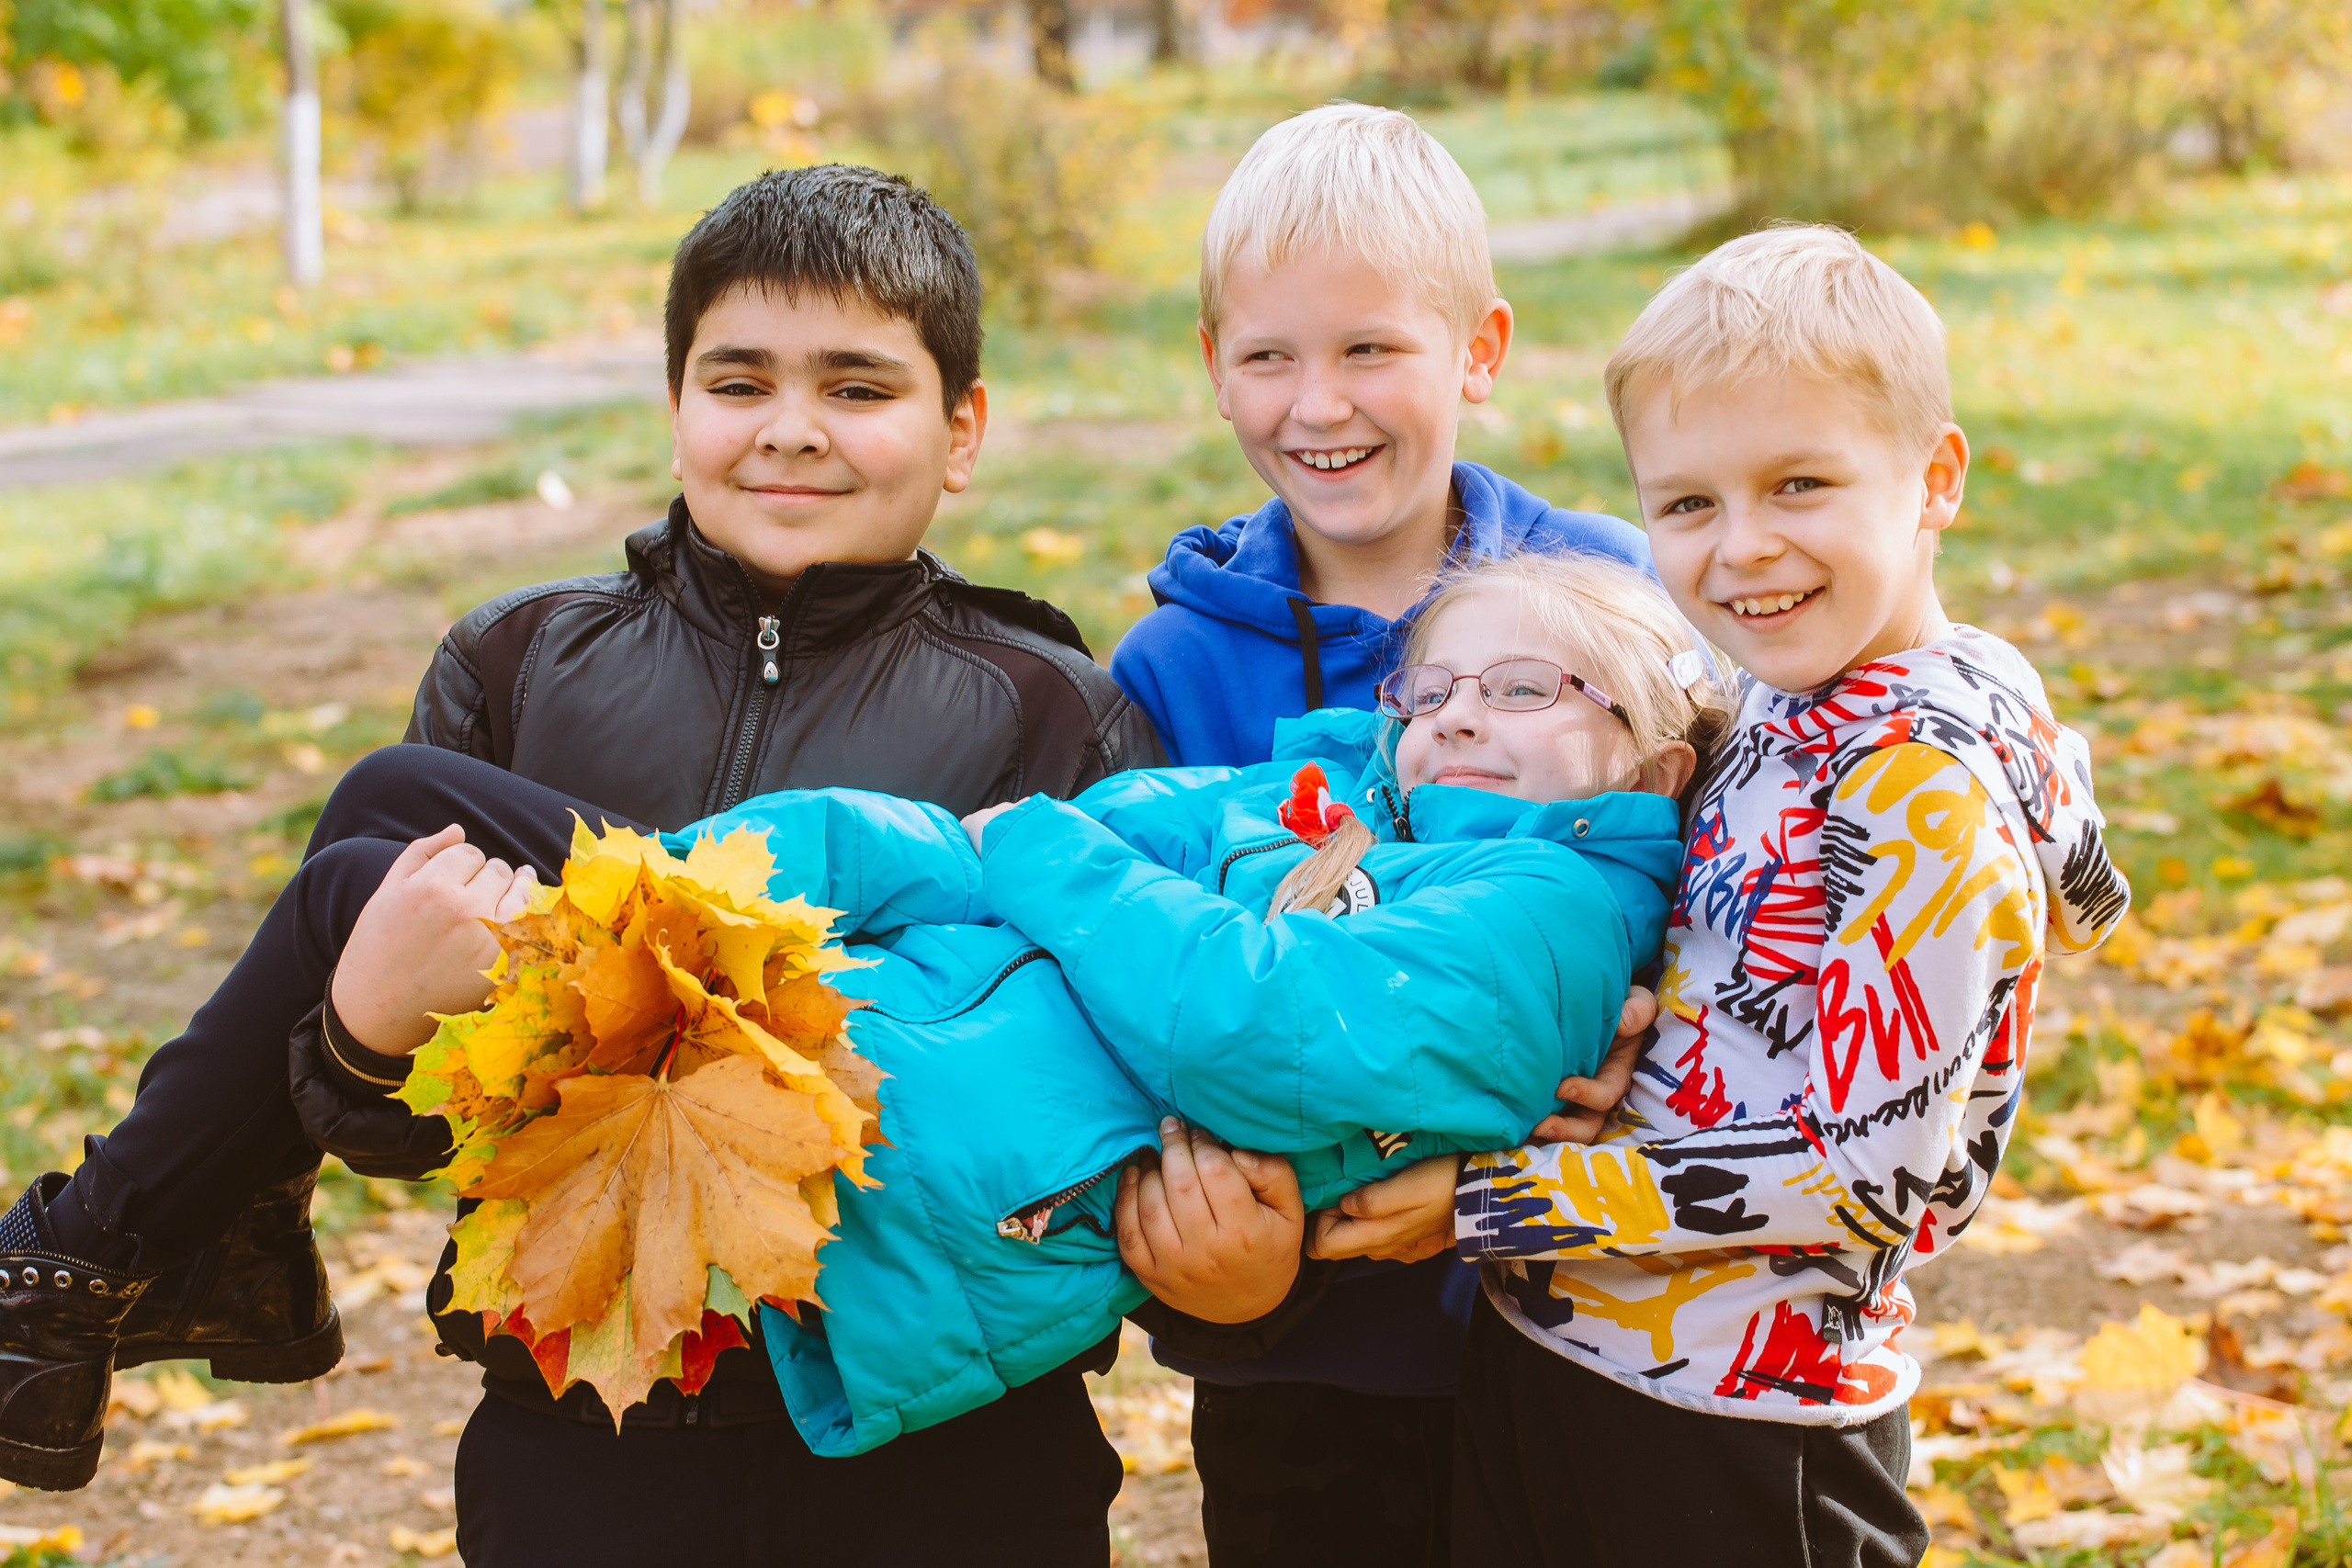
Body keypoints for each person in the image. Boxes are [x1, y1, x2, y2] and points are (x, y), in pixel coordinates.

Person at [0, 164, 1170, 1565]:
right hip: (583, 1411)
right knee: (376, 855)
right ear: (674, 406)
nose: (792, 431)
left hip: (928, 1415)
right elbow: (406, 1131)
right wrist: (370, 1044)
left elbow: (1079, 1101)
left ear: (961, 428)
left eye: (858, 388)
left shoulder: (1055, 711)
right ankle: (129, 1246)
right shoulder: (519, 660)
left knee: (383, 811)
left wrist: (711, 1027)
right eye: (739, 383)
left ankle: (105, 1254)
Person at [299, 551, 1720, 1461]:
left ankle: (149, 1234)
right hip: (854, 1058)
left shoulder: (1552, 916)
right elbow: (1013, 849)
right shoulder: (1335, 818)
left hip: (920, 1170)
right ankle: (166, 1228)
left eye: (1526, 687)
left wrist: (1037, 846)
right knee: (384, 825)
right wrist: (756, 871)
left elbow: (1260, 1034)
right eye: (1435, 687)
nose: (1462, 714)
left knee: (384, 832)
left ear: (1652, 764)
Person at [1318, 224, 2133, 1567]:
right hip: (1564, 1350)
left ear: (1934, 480)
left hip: (1744, 1429)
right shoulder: (1789, 687)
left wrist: (1484, 1206)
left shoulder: (1917, 794)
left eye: (1799, 484)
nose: (1744, 551)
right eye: (1688, 505)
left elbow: (1869, 1180)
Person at [1102, 102, 1655, 1565]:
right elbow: (1159, 987)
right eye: (1270, 355)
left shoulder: (1618, 597)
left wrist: (1531, 1155)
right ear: (1214, 365)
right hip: (1305, 1337)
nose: (1319, 403)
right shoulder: (1174, 667)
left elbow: (1693, 913)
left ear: (1478, 348)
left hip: (1584, 1312)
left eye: (1369, 350)